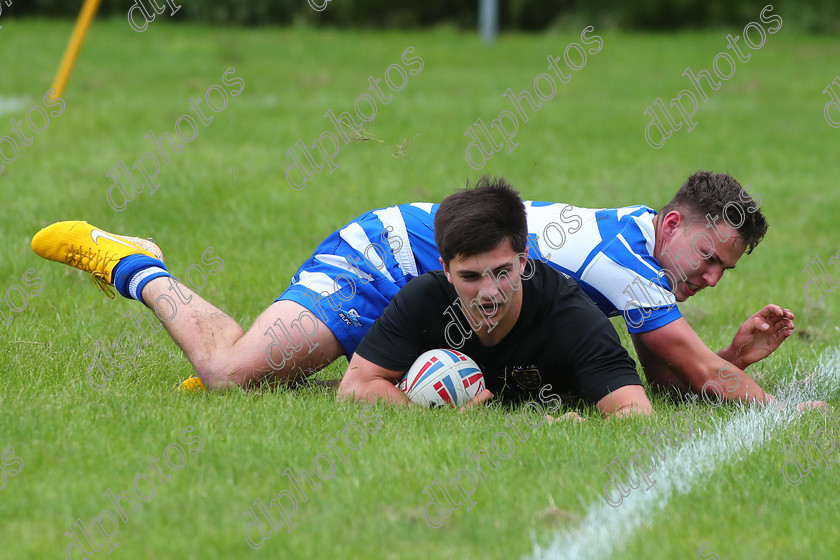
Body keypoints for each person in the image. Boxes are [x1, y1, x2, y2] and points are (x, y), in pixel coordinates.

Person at [30, 172, 788, 404]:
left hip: (462, 303)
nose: (709, 276)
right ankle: (138, 264)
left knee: (269, 384)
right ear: (672, 222)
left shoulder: (638, 249)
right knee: (228, 373)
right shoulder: (625, 259)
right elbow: (699, 376)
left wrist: (733, 357)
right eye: (708, 254)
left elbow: (665, 382)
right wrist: (789, 407)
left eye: (725, 270)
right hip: (384, 260)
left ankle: (273, 375)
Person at [335, 181, 651, 416]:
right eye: (470, 276)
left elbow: (635, 413)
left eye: (502, 272)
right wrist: (429, 416)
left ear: (524, 260)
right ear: (445, 268)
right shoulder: (425, 300)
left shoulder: (568, 314)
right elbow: (354, 387)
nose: (488, 292)